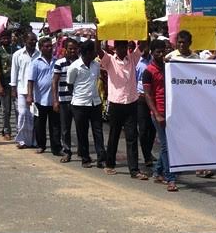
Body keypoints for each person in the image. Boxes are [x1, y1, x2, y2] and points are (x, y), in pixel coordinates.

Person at [164, 30, 213, 178]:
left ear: (190, 43)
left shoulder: (196, 58)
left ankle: (199, 166)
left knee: (196, 135)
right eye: (179, 42)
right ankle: (174, 166)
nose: (181, 45)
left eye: (184, 42)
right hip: (175, 103)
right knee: (177, 137)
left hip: (192, 102)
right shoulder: (170, 57)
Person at [100, 40, 148, 180]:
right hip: (116, 103)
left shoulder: (132, 58)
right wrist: (98, 32)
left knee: (132, 136)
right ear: (115, 48)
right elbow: (98, 50)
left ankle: (134, 170)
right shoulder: (109, 60)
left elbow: (143, 44)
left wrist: (145, 28)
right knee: (114, 135)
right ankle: (110, 164)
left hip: (131, 102)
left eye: (124, 47)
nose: (122, 49)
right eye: (120, 47)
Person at [67, 40, 109, 171]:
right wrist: (79, 96)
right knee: (82, 132)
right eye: (93, 52)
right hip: (80, 104)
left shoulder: (96, 65)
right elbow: (70, 84)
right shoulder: (74, 66)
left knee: (98, 131)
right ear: (87, 53)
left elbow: (97, 80)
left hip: (95, 103)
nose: (95, 54)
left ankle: (101, 159)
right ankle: (85, 158)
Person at [142, 39, 178, 192]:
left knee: (167, 145)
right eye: (158, 52)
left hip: (171, 111)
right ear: (152, 53)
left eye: (163, 51)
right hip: (159, 113)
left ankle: (157, 172)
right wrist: (156, 114)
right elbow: (148, 95)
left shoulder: (168, 67)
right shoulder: (148, 71)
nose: (161, 54)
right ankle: (170, 178)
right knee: (166, 146)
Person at [27, 37, 61, 156]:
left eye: (51, 46)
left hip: (54, 99)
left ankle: (56, 148)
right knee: (39, 124)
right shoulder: (36, 62)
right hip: (40, 99)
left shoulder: (57, 61)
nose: (49, 48)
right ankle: (41, 145)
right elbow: (31, 80)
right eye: (46, 46)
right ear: (41, 48)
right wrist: (29, 95)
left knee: (55, 125)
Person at [10, 32, 40, 149]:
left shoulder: (39, 54)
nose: (33, 42)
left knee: (33, 116)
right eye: (31, 40)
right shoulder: (18, 54)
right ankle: (22, 140)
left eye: (35, 40)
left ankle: (33, 141)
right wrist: (13, 88)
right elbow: (14, 72)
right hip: (22, 89)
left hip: (36, 91)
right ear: (24, 41)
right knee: (22, 114)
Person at [52, 38, 80, 164]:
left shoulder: (81, 62)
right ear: (65, 49)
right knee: (65, 128)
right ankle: (67, 152)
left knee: (80, 127)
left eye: (75, 48)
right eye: (70, 48)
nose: (73, 51)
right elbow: (54, 81)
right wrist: (55, 100)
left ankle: (82, 152)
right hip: (64, 100)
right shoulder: (60, 63)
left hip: (78, 100)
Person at [136, 40, 156, 169]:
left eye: (146, 45)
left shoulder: (154, 59)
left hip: (153, 98)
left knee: (152, 128)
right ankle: (147, 156)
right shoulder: (136, 61)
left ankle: (148, 151)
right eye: (141, 45)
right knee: (143, 129)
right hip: (141, 98)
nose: (144, 48)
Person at [0, 30, 14, 140]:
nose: (6, 40)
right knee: (6, 109)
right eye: (4, 38)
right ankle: (6, 130)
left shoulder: (15, 49)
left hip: (15, 82)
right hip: (4, 83)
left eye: (8, 38)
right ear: (0, 39)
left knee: (16, 109)